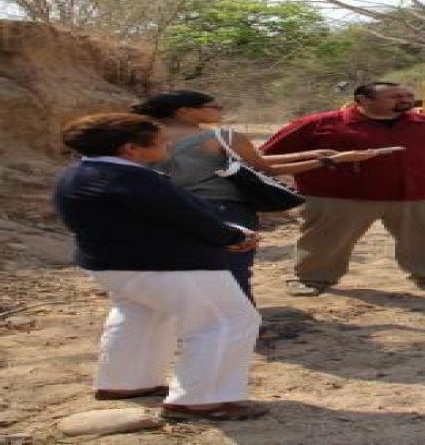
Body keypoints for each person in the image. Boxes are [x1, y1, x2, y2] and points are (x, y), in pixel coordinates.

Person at [53, 113, 268, 421]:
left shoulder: (78, 172)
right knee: (226, 321)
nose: (168, 143)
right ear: (131, 148)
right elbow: (186, 216)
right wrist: (232, 236)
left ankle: (126, 382)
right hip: (167, 265)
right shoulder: (135, 178)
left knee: (143, 316)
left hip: (113, 264)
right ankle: (203, 400)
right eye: (159, 139)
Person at [131, 91, 375, 303]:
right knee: (231, 267)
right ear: (185, 111)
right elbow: (263, 168)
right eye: (213, 106)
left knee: (181, 265)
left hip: (164, 207)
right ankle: (238, 323)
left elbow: (251, 161)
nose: (220, 109)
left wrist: (311, 153)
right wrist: (332, 160)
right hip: (222, 209)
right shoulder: (221, 137)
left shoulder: (138, 137)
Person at [260, 82, 425, 295]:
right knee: (325, 241)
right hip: (339, 198)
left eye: (407, 95)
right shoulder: (317, 124)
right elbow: (266, 155)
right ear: (362, 100)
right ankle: (312, 279)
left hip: (419, 197)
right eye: (394, 96)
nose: (405, 100)